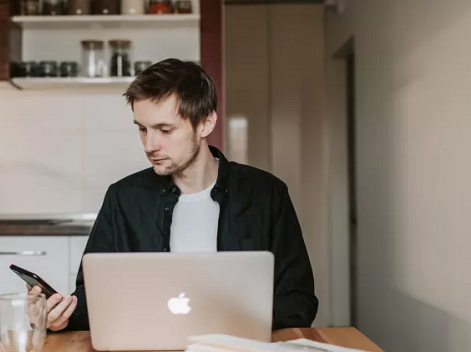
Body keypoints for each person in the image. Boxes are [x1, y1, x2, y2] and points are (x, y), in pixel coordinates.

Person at [29, 58, 318, 332]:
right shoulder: (122, 198)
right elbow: (91, 296)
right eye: (142, 129)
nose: (150, 145)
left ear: (205, 123)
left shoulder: (266, 194)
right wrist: (59, 317)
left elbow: (299, 301)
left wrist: (234, 319)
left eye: (164, 130)